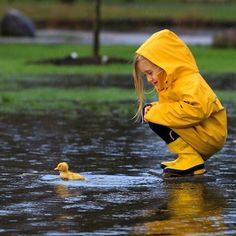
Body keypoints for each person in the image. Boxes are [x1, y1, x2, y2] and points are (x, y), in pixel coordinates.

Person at [132, 29, 227, 176]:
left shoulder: (188, 80)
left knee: (154, 114)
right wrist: (155, 109)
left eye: (150, 73)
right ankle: (188, 158)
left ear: (164, 64)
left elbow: (196, 110)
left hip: (210, 134)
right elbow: (174, 110)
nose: (149, 79)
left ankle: (191, 159)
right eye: (146, 75)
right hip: (204, 133)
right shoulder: (169, 82)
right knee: (152, 112)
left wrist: (156, 112)